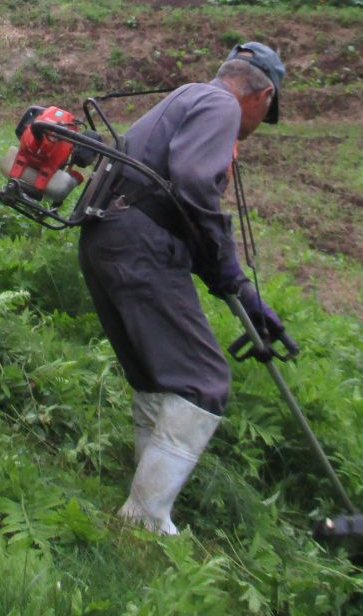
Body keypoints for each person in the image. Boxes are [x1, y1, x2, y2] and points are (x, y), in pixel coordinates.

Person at [77, 41, 288, 535]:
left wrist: (236, 288)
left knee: (157, 376)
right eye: (266, 113)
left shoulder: (182, 98)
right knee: (203, 380)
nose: (256, 128)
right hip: (139, 250)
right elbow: (194, 183)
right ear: (263, 95)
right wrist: (230, 268)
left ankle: (141, 503)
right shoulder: (219, 106)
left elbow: (170, 199)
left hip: (105, 241)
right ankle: (146, 518)